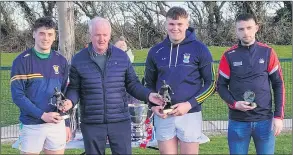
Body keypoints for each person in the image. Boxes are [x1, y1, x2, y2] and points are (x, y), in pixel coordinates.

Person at [63, 17, 163, 155]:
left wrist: (149, 95)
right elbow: (74, 88)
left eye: (105, 35)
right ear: (90, 35)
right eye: (97, 35)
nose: (101, 39)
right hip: (92, 122)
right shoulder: (78, 59)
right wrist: (69, 101)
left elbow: (132, 84)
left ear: (110, 35)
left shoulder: (121, 57)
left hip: (119, 121)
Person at [144, 6, 216, 154]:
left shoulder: (200, 49)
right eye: (171, 24)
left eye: (179, 24)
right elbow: (148, 84)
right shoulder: (155, 51)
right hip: (164, 114)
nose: (175, 28)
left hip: (190, 114)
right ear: (165, 25)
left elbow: (212, 83)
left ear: (187, 25)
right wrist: (152, 106)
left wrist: (189, 104)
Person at [217, 13, 285, 154]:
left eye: (249, 28)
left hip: (265, 121)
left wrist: (278, 116)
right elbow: (221, 86)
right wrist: (234, 104)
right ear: (236, 31)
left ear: (256, 28)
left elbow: (278, 84)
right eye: (241, 29)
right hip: (238, 122)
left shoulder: (268, 52)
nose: (246, 32)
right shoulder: (228, 55)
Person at [10, 17, 71, 154]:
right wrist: (42, 115)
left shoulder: (61, 61)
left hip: (56, 124)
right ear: (34, 34)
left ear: (54, 36)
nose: (46, 38)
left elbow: (64, 93)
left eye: (50, 34)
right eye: (41, 33)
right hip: (32, 125)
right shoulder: (21, 61)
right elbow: (18, 96)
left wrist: (66, 123)